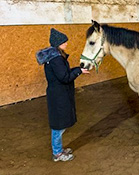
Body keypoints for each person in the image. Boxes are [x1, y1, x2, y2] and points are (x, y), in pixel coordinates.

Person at [36, 28, 90, 162]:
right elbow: (65, 77)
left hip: (59, 93)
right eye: (64, 42)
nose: (66, 44)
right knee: (58, 126)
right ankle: (57, 153)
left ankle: (58, 149)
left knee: (60, 124)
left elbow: (64, 73)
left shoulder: (55, 57)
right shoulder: (56, 59)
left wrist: (79, 69)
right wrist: (78, 72)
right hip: (59, 95)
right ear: (58, 43)